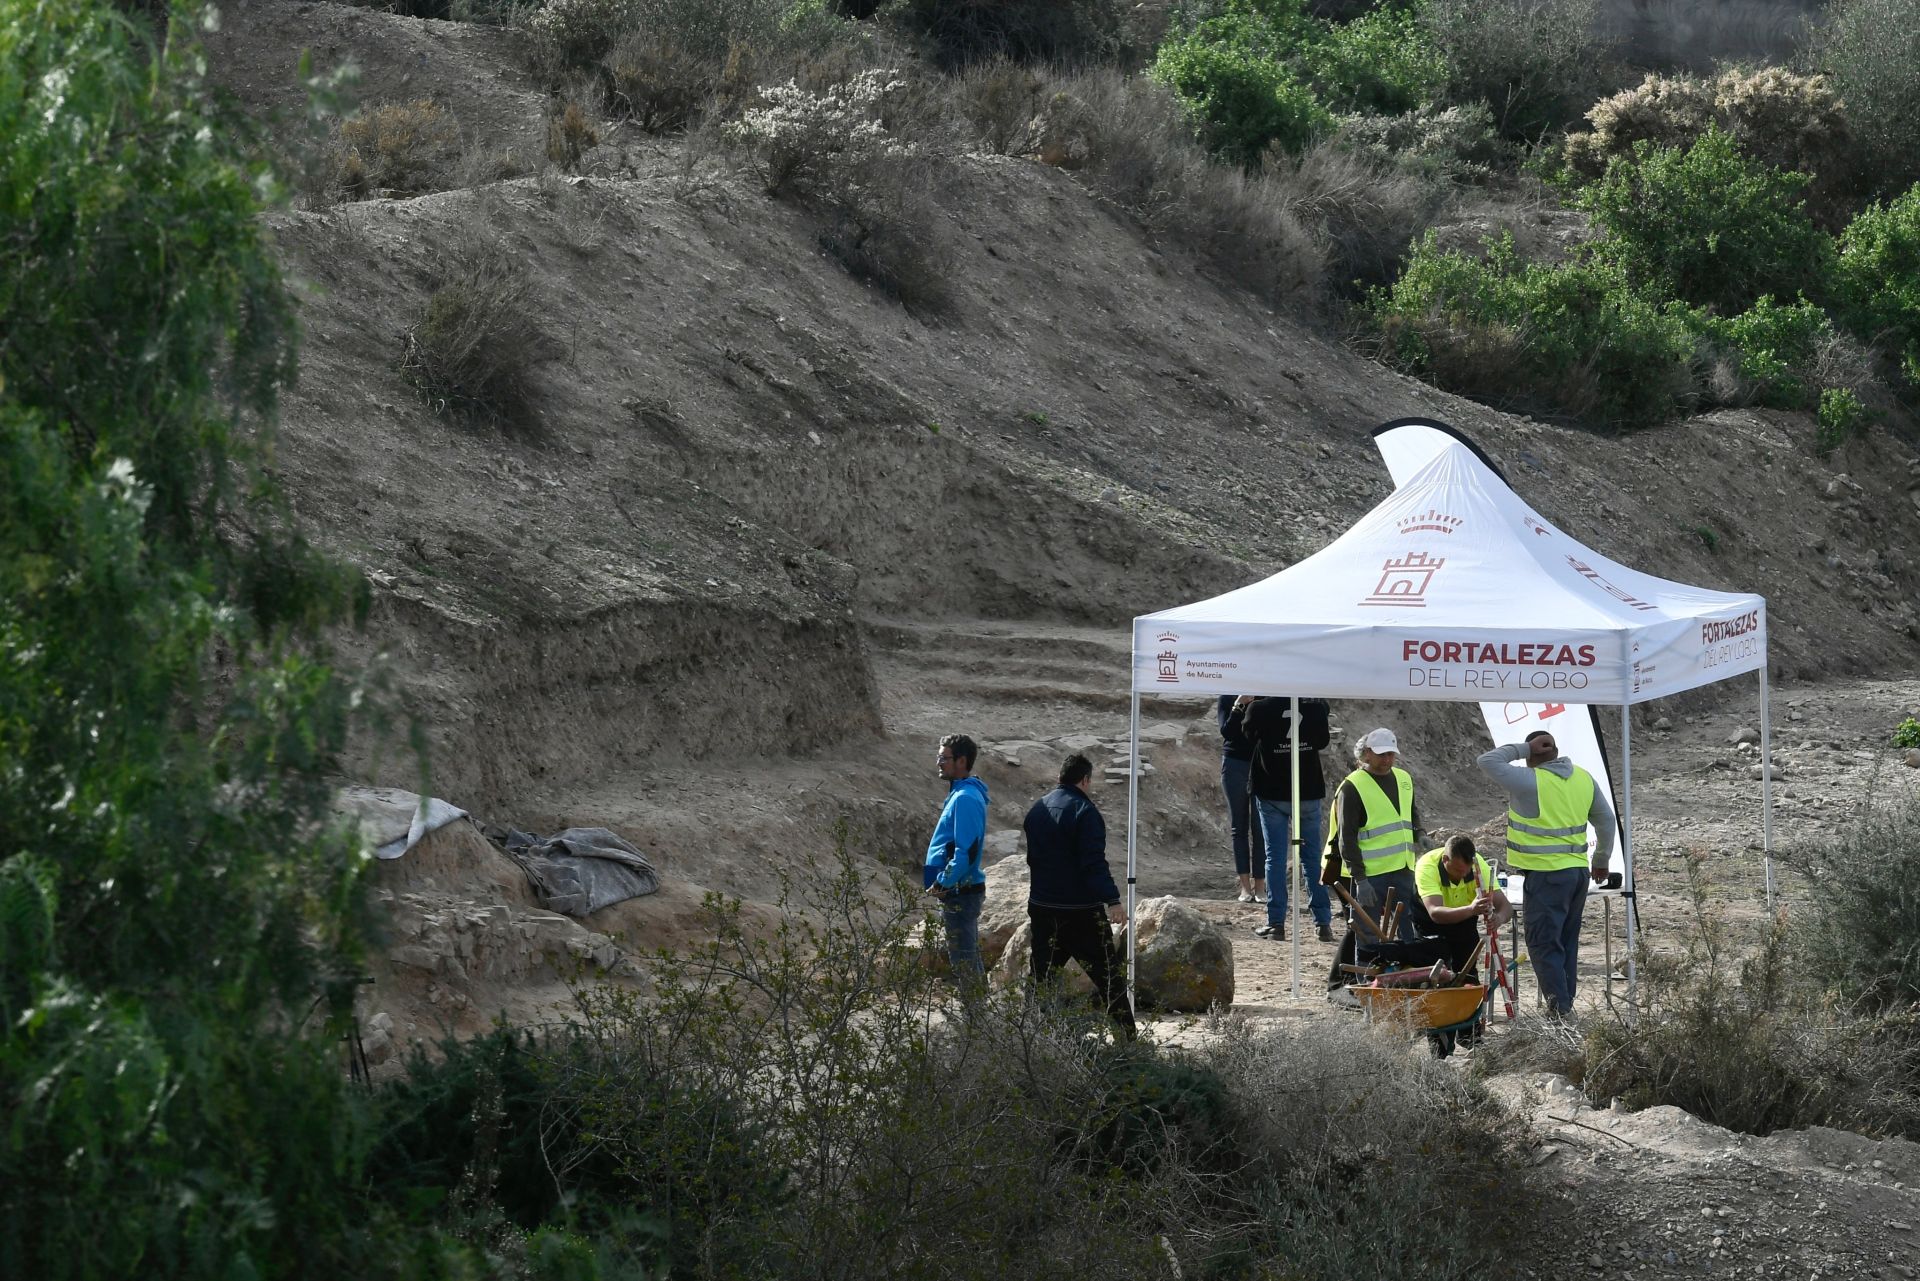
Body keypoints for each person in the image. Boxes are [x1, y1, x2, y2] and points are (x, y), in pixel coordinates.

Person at [1477, 730, 1617, 1020]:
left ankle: (1560, 1012)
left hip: (1547, 876)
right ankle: (1564, 1006)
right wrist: (1601, 858)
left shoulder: (1531, 780)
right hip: (1577, 874)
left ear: (1532, 756)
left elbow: (1487, 761)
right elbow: (1605, 819)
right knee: (1565, 943)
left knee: (1543, 944)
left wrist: (1523, 748)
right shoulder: (1582, 778)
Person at [1022, 753, 1137, 1039]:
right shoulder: (1085, 812)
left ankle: (1027, 1039)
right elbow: (1093, 863)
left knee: (1040, 979)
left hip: (1042, 907)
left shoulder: (1038, 808)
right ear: (1085, 779)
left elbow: (1033, 859)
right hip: (1080, 912)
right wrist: (1113, 900)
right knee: (1109, 978)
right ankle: (1129, 1043)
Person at [1235, 695, 1333, 943]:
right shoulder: (1314, 707)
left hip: (1271, 791)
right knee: (1312, 858)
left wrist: (1242, 706)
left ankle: (1276, 922)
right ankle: (1323, 922)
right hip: (1307, 790)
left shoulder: (1259, 708)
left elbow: (1244, 736)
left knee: (1275, 857)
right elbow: (1322, 741)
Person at [1334, 728, 1422, 941]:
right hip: (1371, 875)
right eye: (1381, 754)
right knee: (1368, 933)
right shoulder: (1352, 786)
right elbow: (1346, 838)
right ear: (1366, 754)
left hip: (1403, 868)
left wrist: (1420, 832)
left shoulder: (1404, 778)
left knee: (1410, 930)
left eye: (1391, 754)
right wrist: (1360, 879)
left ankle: (1408, 971)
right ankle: (1367, 974)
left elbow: (1411, 812)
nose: (1387, 759)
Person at [924, 733, 989, 986]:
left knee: (965, 964)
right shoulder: (960, 794)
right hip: (957, 891)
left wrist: (944, 882)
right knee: (968, 960)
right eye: (939, 757)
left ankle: (976, 1019)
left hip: (960, 892)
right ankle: (980, 1018)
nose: (939, 763)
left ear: (961, 761)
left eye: (944, 758)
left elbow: (967, 851)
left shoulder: (965, 798)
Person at [1410, 835, 1513, 974]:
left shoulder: (1478, 866)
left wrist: (1499, 918)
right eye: (1458, 870)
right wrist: (1471, 909)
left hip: (1465, 919)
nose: (1464, 875)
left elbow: (1505, 906)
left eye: (1467, 870)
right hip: (1429, 922)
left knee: (1467, 968)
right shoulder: (1427, 867)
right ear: (1445, 860)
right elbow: (1435, 913)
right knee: (1431, 967)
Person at [1217, 694, 1266, 903]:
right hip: (1234, 763)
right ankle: (1245, 887)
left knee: (1260, 826)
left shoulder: (1265, 696)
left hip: (1261, 764)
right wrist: (1239, 705)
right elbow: (1227, 732)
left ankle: (1261, 887)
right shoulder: (1227, 697)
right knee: (1239, 826)